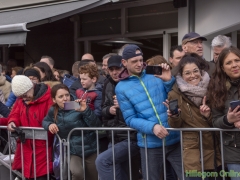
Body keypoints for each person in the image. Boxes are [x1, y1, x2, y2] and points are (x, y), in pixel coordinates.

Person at [115, 44, 182, 180]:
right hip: (150, 143)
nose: (140, 64)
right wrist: (152, 127)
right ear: (124, 62)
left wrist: (169, 81)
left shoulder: (155, 73)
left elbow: (174, 98)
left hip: (174, 137)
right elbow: (130, 119)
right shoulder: (121, 88)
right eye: (134, 61)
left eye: (141, 60)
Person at [165, 53, 221, 180]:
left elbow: (218, 119)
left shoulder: (212, 89)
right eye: (187, 73)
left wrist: (208, 115)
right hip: (192, 151)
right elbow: (175, 125)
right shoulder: (175, 94)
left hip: (214, 148)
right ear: (181, 75)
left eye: (195, 71)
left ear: (201, 71)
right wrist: (174, 116)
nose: (193, 76)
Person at [43, 84, 101, 180]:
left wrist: (85, 110)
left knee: (93, 177)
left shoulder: (77, 105)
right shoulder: (53, 110)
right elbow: (45, 121)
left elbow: (96, 125)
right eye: (61, 97)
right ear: (54, 100)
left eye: (67, 95)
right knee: (77, 173)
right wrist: (49, 125)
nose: (65, 99)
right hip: (72, 151)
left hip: (90, 148)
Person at [95, 55, 140, 180]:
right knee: (118, 172)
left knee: (103, 161)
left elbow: (142, 108)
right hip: (113, 137)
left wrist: (124, 105)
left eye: (117, 68)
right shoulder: (107, 83)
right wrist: (109, 110)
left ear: (124, 67)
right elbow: (102, 109)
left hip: (131, 136)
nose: (114, 72)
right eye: (111, 69)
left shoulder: (133, 82)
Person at [7, 75, 54, 180]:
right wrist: (12, 122)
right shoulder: (21, 100)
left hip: (45, 147)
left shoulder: (49, 98)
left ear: (31, 87)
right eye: (21, 96)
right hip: (27, 147)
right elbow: (14, 114)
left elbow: (52, 118)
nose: (24, 98)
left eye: (25, 94)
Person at [207, 46, 240, 179]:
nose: (234, 65)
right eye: (228, 62)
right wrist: (228, 119)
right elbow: (215, 120)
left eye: (237, 60)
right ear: (222, 67)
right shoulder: (217, 89)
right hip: (233, 149)